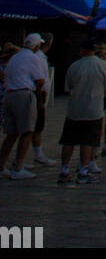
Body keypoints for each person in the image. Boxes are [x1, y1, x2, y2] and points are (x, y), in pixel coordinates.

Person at [57, 39, 106, 185]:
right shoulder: (103, 66)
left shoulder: (74, 66)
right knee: (88, 141)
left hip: (74, 109)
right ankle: (83, 171)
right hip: (94, 109)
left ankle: (64, 170)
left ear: (82, 50)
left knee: (68, 141)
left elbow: (68, 87)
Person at [0, 33, 46, 179]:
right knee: (27, 131)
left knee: (11, 134)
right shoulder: (32, 57)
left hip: (9, 94)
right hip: (23, 95)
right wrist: (39, 98)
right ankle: (18, 167)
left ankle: (1, 165)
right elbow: (40, 80)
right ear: (37, 45)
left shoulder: (16, 57)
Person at [31, 31, 55, 166]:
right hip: (38, 95)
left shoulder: (38, 57)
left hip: (38, 94)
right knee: (37, 126)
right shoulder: (39, 57)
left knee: (34, 126)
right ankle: (38, 154)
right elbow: (39, 78)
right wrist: (41, 96)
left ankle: (36, 154)